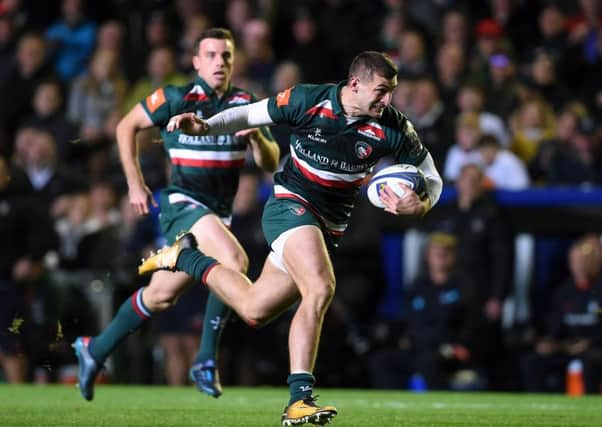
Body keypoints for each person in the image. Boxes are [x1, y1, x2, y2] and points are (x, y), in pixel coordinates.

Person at [145, 51, 443, 425]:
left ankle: (185, 258)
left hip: (327, 227)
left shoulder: (393, 127)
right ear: (355, 84)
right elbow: (249, 114)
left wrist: (422, 202)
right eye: (381, 91)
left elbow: (431, 176)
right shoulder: (308, 100)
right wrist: (204, 126)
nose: (388, 100)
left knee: (254, 309)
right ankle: (299, 399)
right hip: (290, 206)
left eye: (391, 92)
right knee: (320, 288)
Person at [72, 28, 279, 400]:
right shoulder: (176, 97)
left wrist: (259, 139)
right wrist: (135, 183)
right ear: (196, 61)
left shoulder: (246, 102)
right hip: (182, 204)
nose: (219, 62)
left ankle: (95, 349)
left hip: (217, 216)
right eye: (211, 55)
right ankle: (205, 359)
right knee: (233, 259)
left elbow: (270, 162)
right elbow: (125, 126)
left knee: (160, 296)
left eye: (226, 56)